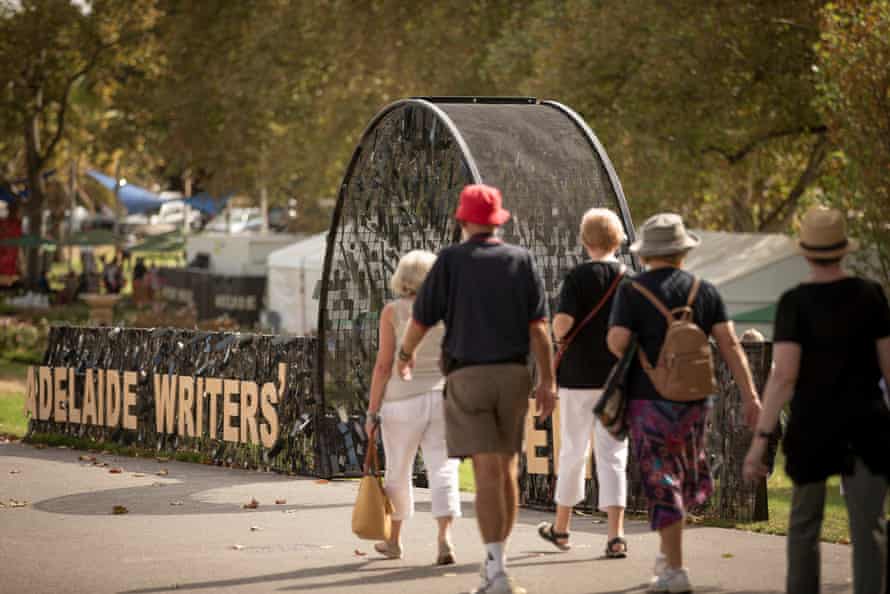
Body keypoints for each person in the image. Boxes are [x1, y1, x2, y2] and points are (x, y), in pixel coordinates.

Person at [397, 184, 556, 594]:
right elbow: (538, 328)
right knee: (507, 471)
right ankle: (496, 567)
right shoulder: (521, 260)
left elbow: (421, 317)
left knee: (485, 473)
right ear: (497, 220)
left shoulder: (450, 261)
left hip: (469, 377)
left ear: (464, 220)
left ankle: (497, 571)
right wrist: (548, 382)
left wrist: (405, 354)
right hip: (513, 376)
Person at [607, 213, 761, 593]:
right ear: (682, 253)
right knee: (682, 472)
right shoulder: (704, 291)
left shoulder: (632, 290)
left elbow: (617, 341)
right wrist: (751, 395)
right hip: (695, 401)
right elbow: (730, 345)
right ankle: (667, 552)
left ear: (646, 254)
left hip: (649, 400)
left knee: (662, 477)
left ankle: (675, 570)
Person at [743, 206, 890, 594]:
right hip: (867, 426)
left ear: (805, 251)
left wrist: (761, 440)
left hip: (813, 427)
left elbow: (784, 376)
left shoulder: (795, 302)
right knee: (869, 530)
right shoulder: (871, 296)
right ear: (844, 249)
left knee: (804, 526)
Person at [536, 208, 630, 558]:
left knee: (574, 450)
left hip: (577, 377)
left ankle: (562, 528)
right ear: (617, 238)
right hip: (616, 379)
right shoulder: (629, 277)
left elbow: (561, 326)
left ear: (585, 240)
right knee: (614, 454)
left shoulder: (577, 277)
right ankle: (615, 535)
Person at [363, 249, 461, 565]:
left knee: (398, 471)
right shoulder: (449, 311)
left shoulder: (392, 312)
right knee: (443, 467)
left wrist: (371, 411)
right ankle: (444, 537)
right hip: (443, 397)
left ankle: (394, 540)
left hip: (400, 401)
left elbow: (382, 366)